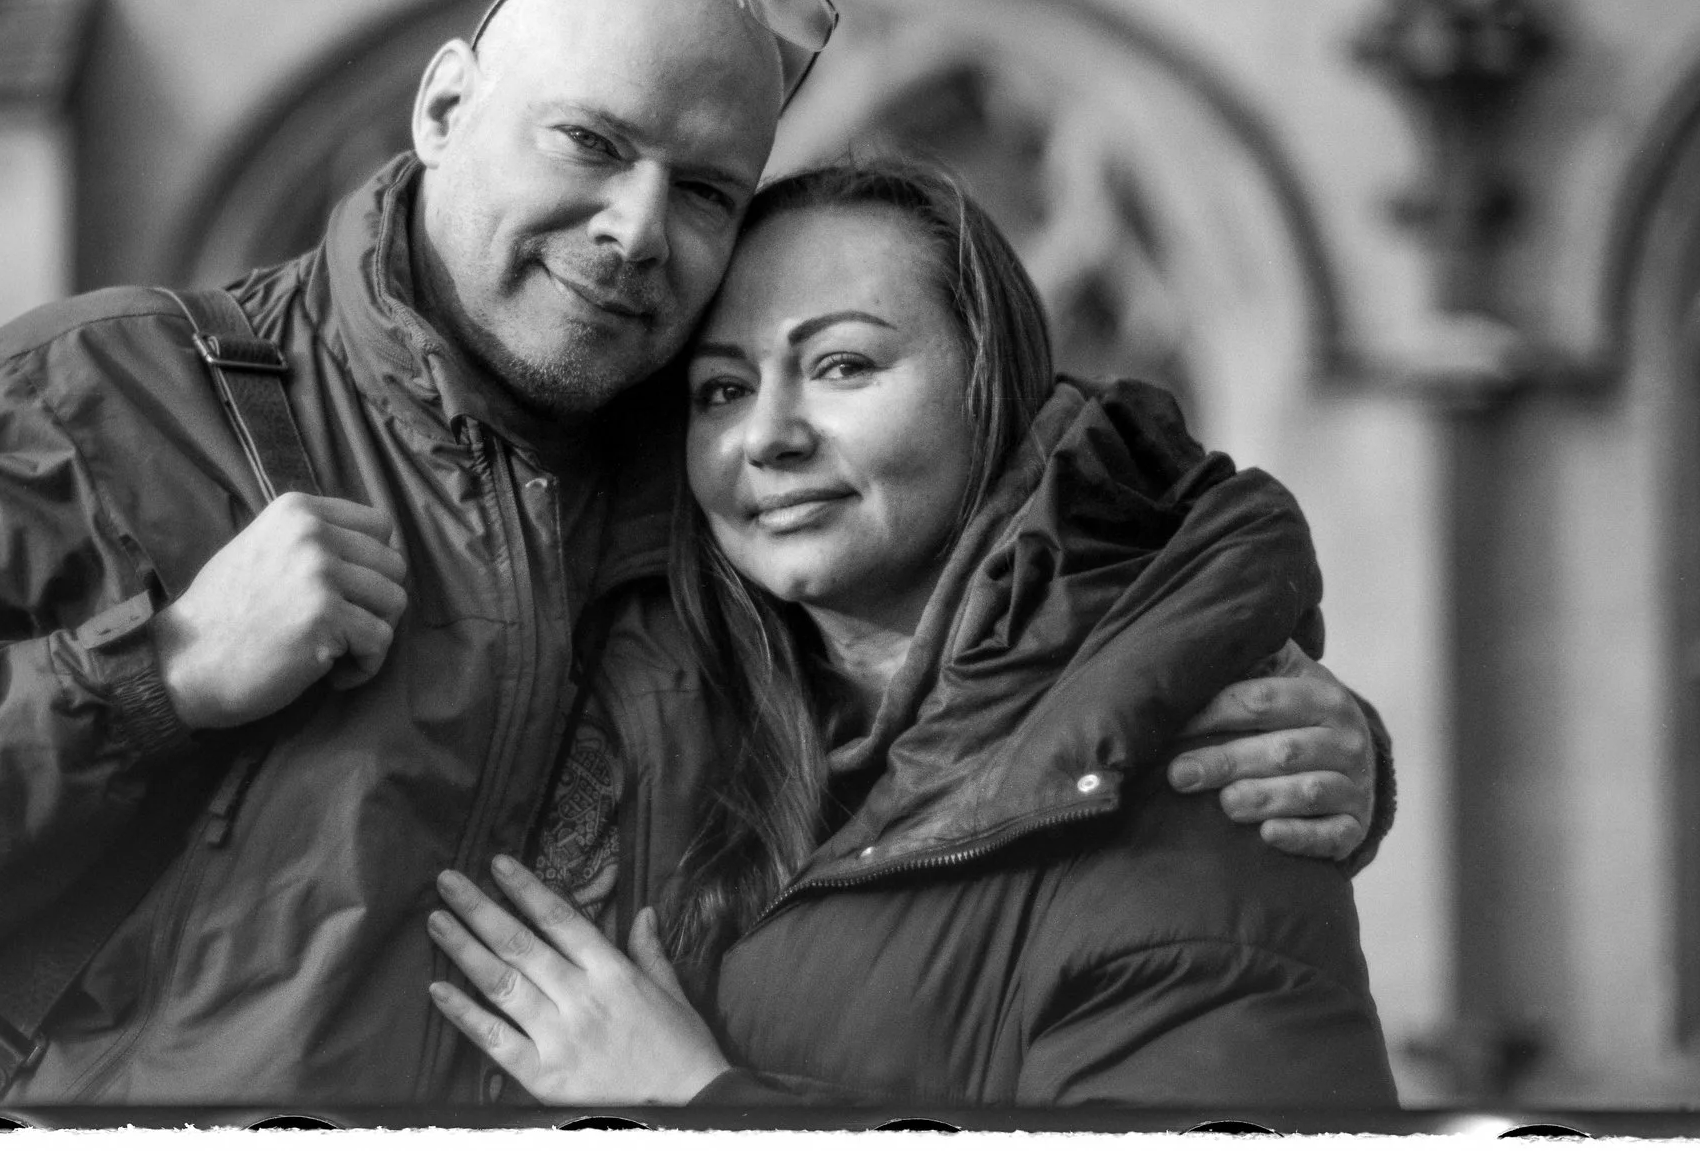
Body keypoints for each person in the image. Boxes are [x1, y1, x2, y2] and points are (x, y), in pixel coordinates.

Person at [0, 0, 1388, 1106]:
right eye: (590, 144)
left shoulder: (692, 470)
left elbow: (1067, 522)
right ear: (447, 102)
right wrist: (143, 678)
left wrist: (1246, 709)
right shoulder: (87, 400)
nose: (638, 230)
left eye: (704, 187)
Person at [424, 160, 1396, 1109]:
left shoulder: (1205, 789)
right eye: (720, 388)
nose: (766, 434)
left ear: (991, 386)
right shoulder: (703, 709)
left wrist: (689, 1100)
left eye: (842, 364)